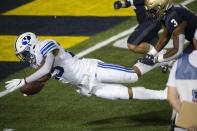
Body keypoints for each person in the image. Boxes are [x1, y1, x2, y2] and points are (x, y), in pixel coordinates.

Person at [0, 32, 167, 101]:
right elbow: (44, 76)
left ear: (30, 46)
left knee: (133, 75)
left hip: (91, 71)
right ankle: (165, 95)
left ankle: (162, 57)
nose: (25, 58)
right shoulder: (38, 60)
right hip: (87, 86)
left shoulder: (46, 44)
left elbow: (46, 68)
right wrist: (27, 89)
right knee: (126, 94)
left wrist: (23, 81)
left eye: (24, 53)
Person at [141, 0, 197, 65]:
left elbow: (177, 50)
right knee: (182, 63)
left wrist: (156, 59)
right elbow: (165, 37)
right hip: (194, 39)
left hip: (195, 39)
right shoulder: (168, 12)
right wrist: (150, 54)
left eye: (153, 10)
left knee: (184, 64)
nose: (153, 14)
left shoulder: (174, 17)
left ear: (161, 6)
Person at [167, 29, 197, 131]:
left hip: (183, 123)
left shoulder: (179, 63)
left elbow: (171, 97)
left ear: (194, 41)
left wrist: (190, 120)